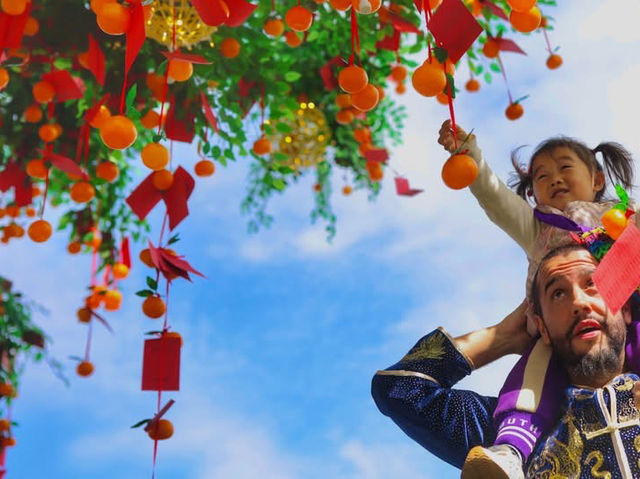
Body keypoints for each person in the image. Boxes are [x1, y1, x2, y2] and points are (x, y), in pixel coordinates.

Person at [436, 121, 639, 477]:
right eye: (542, 177)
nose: (554, 178)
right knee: (531, 381)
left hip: (623, 317)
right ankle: (512, 451)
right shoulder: (538, 227)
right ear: (532, 196)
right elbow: (494, 197)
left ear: (596, 180)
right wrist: (468, 155)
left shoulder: (621, 217)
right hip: (556, 333)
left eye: (565, 166)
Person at [371, 244, 640, 478]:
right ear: (541, 328)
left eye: (591, 284)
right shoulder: (510, 437)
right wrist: (501, 336)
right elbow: (399, 388)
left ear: (625, 308)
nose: (578, 303)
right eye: (558, 293)